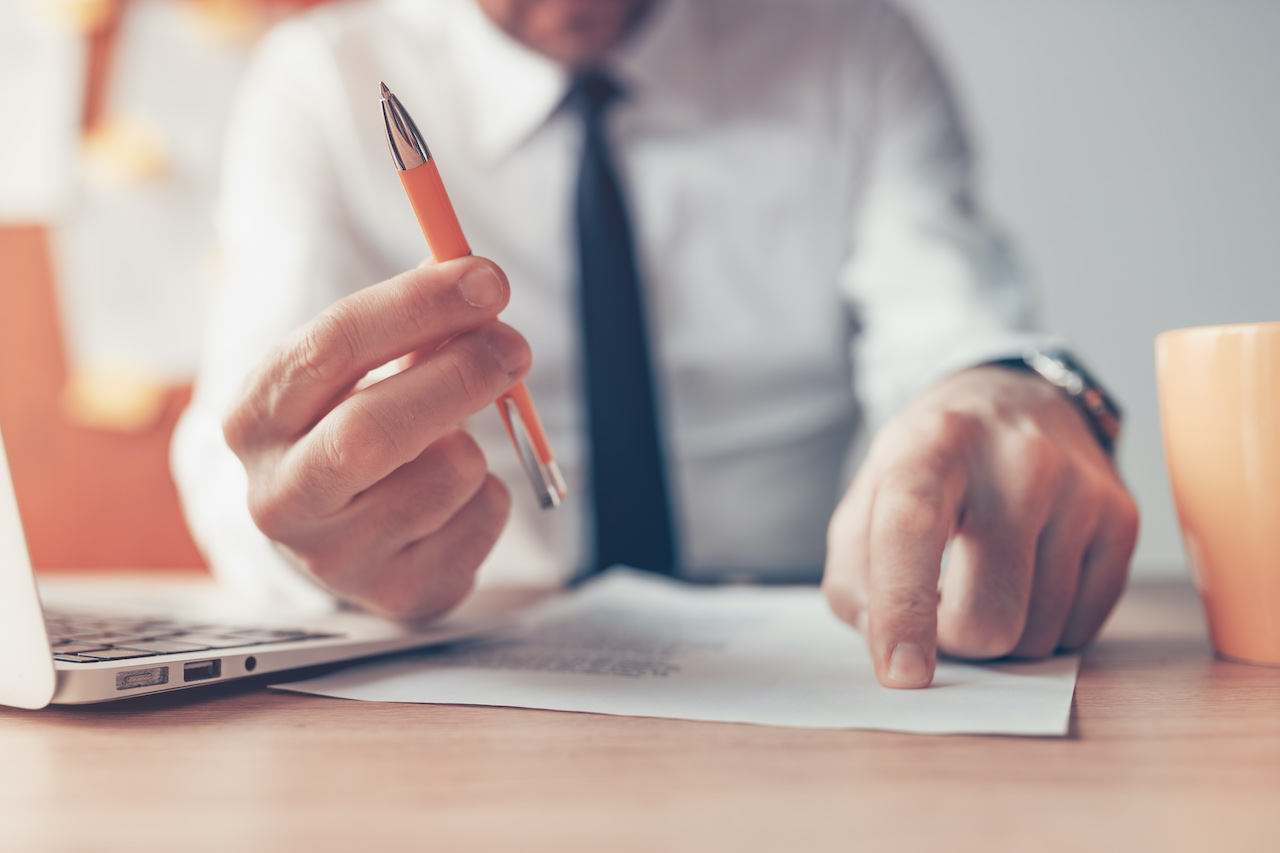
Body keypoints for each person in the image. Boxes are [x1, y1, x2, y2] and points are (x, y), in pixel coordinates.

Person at [172, 0, 1139, 690]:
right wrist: (311, 530)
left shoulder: (856, 45)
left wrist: (996, 393)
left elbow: (954, 330)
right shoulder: (320, 77)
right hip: (470, 659)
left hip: (815, 661)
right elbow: (243, 460)